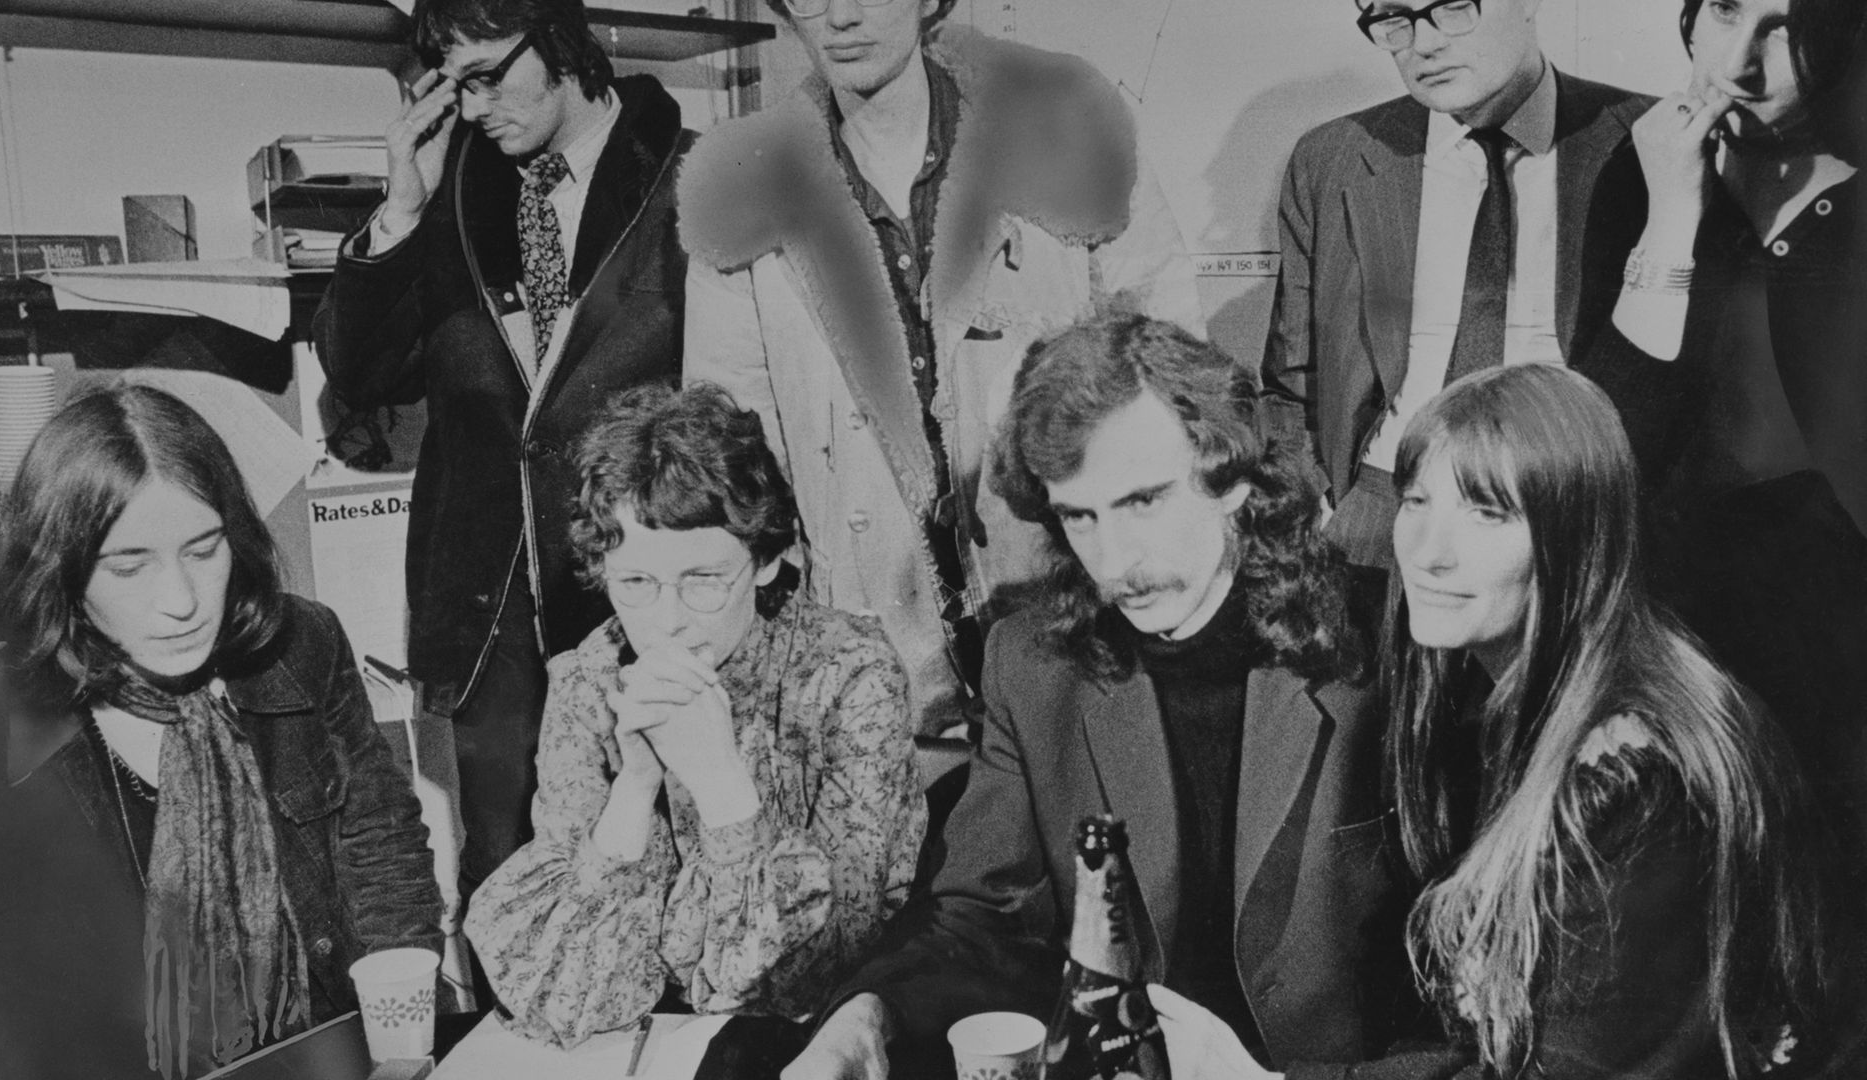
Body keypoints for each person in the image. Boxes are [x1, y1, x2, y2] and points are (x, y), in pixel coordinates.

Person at [1155, 365, 1845, 1079]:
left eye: (1488, 513)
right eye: (1417, 501)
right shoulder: (1489, 691)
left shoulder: (1640, 771)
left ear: (1572, 537)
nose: (1428, 553)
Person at [785, 314, 1427, 1080]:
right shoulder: (1033, 663)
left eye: (1143, 502)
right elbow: (981, 916)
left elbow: (1468, 993)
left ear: (1232, 479)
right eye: (1079, 516)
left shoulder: (1392, 644)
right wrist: (870, 1012)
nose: (1114, 560)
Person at [678, 1, 1200, 738]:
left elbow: (1176, 379)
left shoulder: (1065, 131)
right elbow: (727, 459)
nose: (841, 16)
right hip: (872, 648)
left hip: (1074, 610)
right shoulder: (740, 191)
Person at [0, 385, 442, 1080]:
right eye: (129, 565)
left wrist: (398, 1037)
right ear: (62, 569)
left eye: (204, 551)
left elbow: (381, 843)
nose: (180, 602)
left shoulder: (303, 645)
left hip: (322, 1048)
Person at [312, 0, 695, 894]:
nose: (475, 107)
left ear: (561, 40)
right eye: (456, 86)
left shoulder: (688, 180)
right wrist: (404, 203)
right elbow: (362, 372)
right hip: (492, 613)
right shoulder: (458, 194)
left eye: (488, 75)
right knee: (511, 881)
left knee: (657, 869)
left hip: (642, 600)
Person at [464, 384, 925, 1048]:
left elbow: (815, 973)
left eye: (704, 580)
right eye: (636, 584)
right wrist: (635, 787)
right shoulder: (591, 680)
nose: (668, 620)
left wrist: (721, 789)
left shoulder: (850, 675)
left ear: (765, 562)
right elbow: (564, 995)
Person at [1592, 0, 1867, 902]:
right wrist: (1673, 213)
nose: (1742, 62)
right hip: (1690, 645)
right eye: (1723, 10)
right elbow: (1610, 446)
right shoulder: (1638, 178)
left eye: (1784, 25)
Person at [1261, 0, 1657, 568]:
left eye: (1449, 7)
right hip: (1379, 521)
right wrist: (1319, 510)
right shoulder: (1333, 159)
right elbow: (1289, 385)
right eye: (1394, 17)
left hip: (1574, 520)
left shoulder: (1646, 141)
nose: (1422, 43)